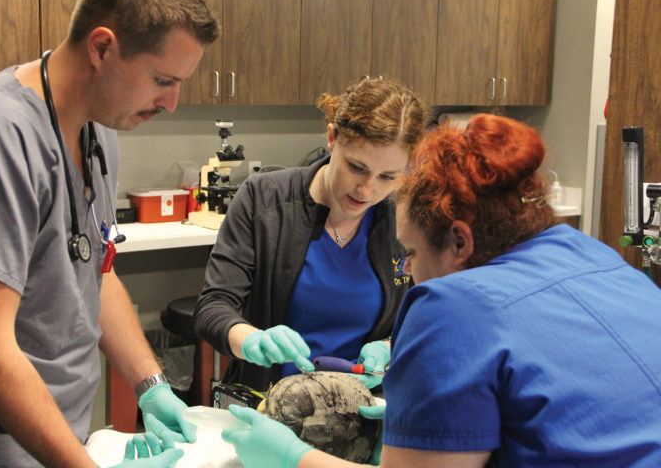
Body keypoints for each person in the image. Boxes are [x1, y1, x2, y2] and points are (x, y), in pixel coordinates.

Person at [0, 0, 218, 467]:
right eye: (162, 80)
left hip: (50, 440)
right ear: (103, 47)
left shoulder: (98, 133)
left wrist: (150, 385)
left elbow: (93, 268)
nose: (172, 102)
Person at [220, 114, 661, 467]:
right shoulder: (597, 257)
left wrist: (293, 458)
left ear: (460, 242)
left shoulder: (452, 306)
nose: (405, 267)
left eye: (409, 251)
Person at [193, 78, 431, 392]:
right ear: (332, 138)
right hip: (270, 402)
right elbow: (213, 307)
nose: (367, 189)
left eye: (388, 176)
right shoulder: (264, 200)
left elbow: (428, 315)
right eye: (356, 167)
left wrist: (389, 347)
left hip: (365, 405)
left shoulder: (405, 218)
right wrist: (250, 339)